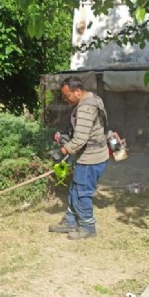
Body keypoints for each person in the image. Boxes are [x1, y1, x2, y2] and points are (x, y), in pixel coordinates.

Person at [49, 76, 109, 240]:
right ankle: (71, 221)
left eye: (67, 95)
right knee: (75, 188)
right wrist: (66, 136)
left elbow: (81, 139)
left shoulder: (85, 108)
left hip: (91, 159)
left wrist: (62, 151)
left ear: (77, 91)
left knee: (82, 192)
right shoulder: (93, 98)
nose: (66, 99)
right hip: (90, 156)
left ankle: (88, 226)